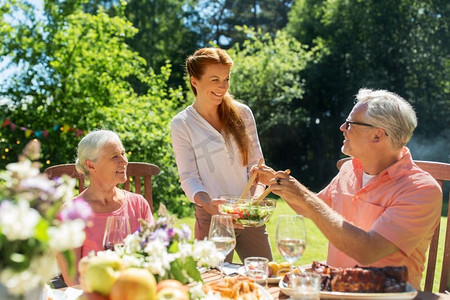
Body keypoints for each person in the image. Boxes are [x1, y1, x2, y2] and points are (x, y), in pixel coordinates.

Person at [253, 88, 442, 290]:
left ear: (378, 135)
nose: (343, 127)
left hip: (384, 296)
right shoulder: (350, 169)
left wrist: (305, 197)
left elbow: (367, 250)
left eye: (351, 123)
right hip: (335, 290)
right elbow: (310, 208)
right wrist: (276, 181)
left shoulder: (421, 190)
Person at [171, 47, 273, 262]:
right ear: (194, 81)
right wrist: (209, 206)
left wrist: (252, 203)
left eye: (226, 79)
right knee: (211, 284)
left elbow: (256, 167)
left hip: (248, 216)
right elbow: (189, 178)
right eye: (215, 79)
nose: (222, 86)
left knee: (262, 279)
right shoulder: (182, 124)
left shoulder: (243, 113)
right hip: (211, 217)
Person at [57, 130, 154, 285]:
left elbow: (154, 257)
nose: (124, 161)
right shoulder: (71, 213)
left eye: (123, 153)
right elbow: (73, 279)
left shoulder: (139, 204)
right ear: (90, 165)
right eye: (114, 156)